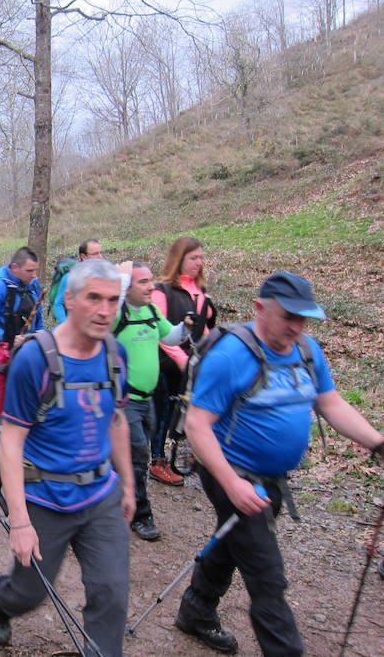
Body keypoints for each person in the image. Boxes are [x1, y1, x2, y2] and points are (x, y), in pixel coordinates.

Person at [175, 271, 384, 655]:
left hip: (272, 478)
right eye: (288, 316)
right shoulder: (231, 356)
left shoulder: (307, 350)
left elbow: (330, 402)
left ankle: (196, 611)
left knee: (232, 541)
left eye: (303, 318)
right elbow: (197, 426)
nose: (297, 326)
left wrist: (377, 442)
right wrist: (232, 484)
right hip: (229, 471)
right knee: (267, 577)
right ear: (260, 308)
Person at [0, 258, 134, 655]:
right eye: (94, 298)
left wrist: (129, 487)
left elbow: (115, 420)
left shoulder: (116, 355)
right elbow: (11, 441)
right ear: (68, 299)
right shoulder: (36, 358)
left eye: (113, 300)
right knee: (28, 593)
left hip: (101, 494)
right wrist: (19, 522)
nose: (104, 311)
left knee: (112, 593)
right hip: (45, 497)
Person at [112, 262, 191, 541]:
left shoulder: (151, 311)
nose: (151, 287)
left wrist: (187, 326)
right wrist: (119, 280)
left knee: (129, 455)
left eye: (151, 281)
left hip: (149, 399)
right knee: (137, 456)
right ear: (127, 287)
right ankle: (141, 515)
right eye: (142, 282)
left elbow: (170, 335)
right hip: (124, 401)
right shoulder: (115, 315)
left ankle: (110, 499)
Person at [151, 236, 215, 486]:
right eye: (193, 258)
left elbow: (205, 329)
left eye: (200, 257)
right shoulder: (162, 291)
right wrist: (180, 359)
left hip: (195, 360)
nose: (199, 262)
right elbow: (160, 330)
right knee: (165, 411)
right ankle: (157, 460)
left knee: (191, 409)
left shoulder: (200, 291)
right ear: (179, 259)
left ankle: (188, 453)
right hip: (166, 363)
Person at [0, 246, 44, 450]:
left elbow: (38, 319)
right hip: (0, 356)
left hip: (28, 354)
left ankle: (27, 449)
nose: (34, 276)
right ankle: (0, 454)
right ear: (15, 267)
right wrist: (9, 339)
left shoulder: (33, 286)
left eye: (35, 271)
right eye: (29, 271)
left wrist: (40, 336)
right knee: (1, 406)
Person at [52, 238, 105, 322]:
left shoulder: (104, 276)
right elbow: (58, 304)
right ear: (83, 257)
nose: (100, 257)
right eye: (95, 254)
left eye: (100, 252)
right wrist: (65, 325)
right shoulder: (70, 277)